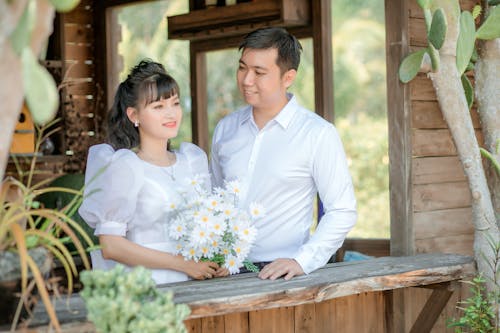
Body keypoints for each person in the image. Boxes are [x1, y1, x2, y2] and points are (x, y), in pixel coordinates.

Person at [210, 27, 357, 280]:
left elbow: (342, 210)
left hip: (280, 275)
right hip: (223, 272)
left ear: (288, 77)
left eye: (259, 72)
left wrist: (302, 261)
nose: (246, 80)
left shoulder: (317, 134)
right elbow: (214, 198)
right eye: (242, 67)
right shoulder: (226, 129)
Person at [79, 60, 228, 284]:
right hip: (147, 287)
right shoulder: (125, 166)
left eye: (175, 103)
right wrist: (182, 264)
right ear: (134, 115)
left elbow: (207, 228)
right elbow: (111, 246)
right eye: (158, 107)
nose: (171, 114)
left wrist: (220, 258)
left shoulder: (192, 161)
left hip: (197, 285)